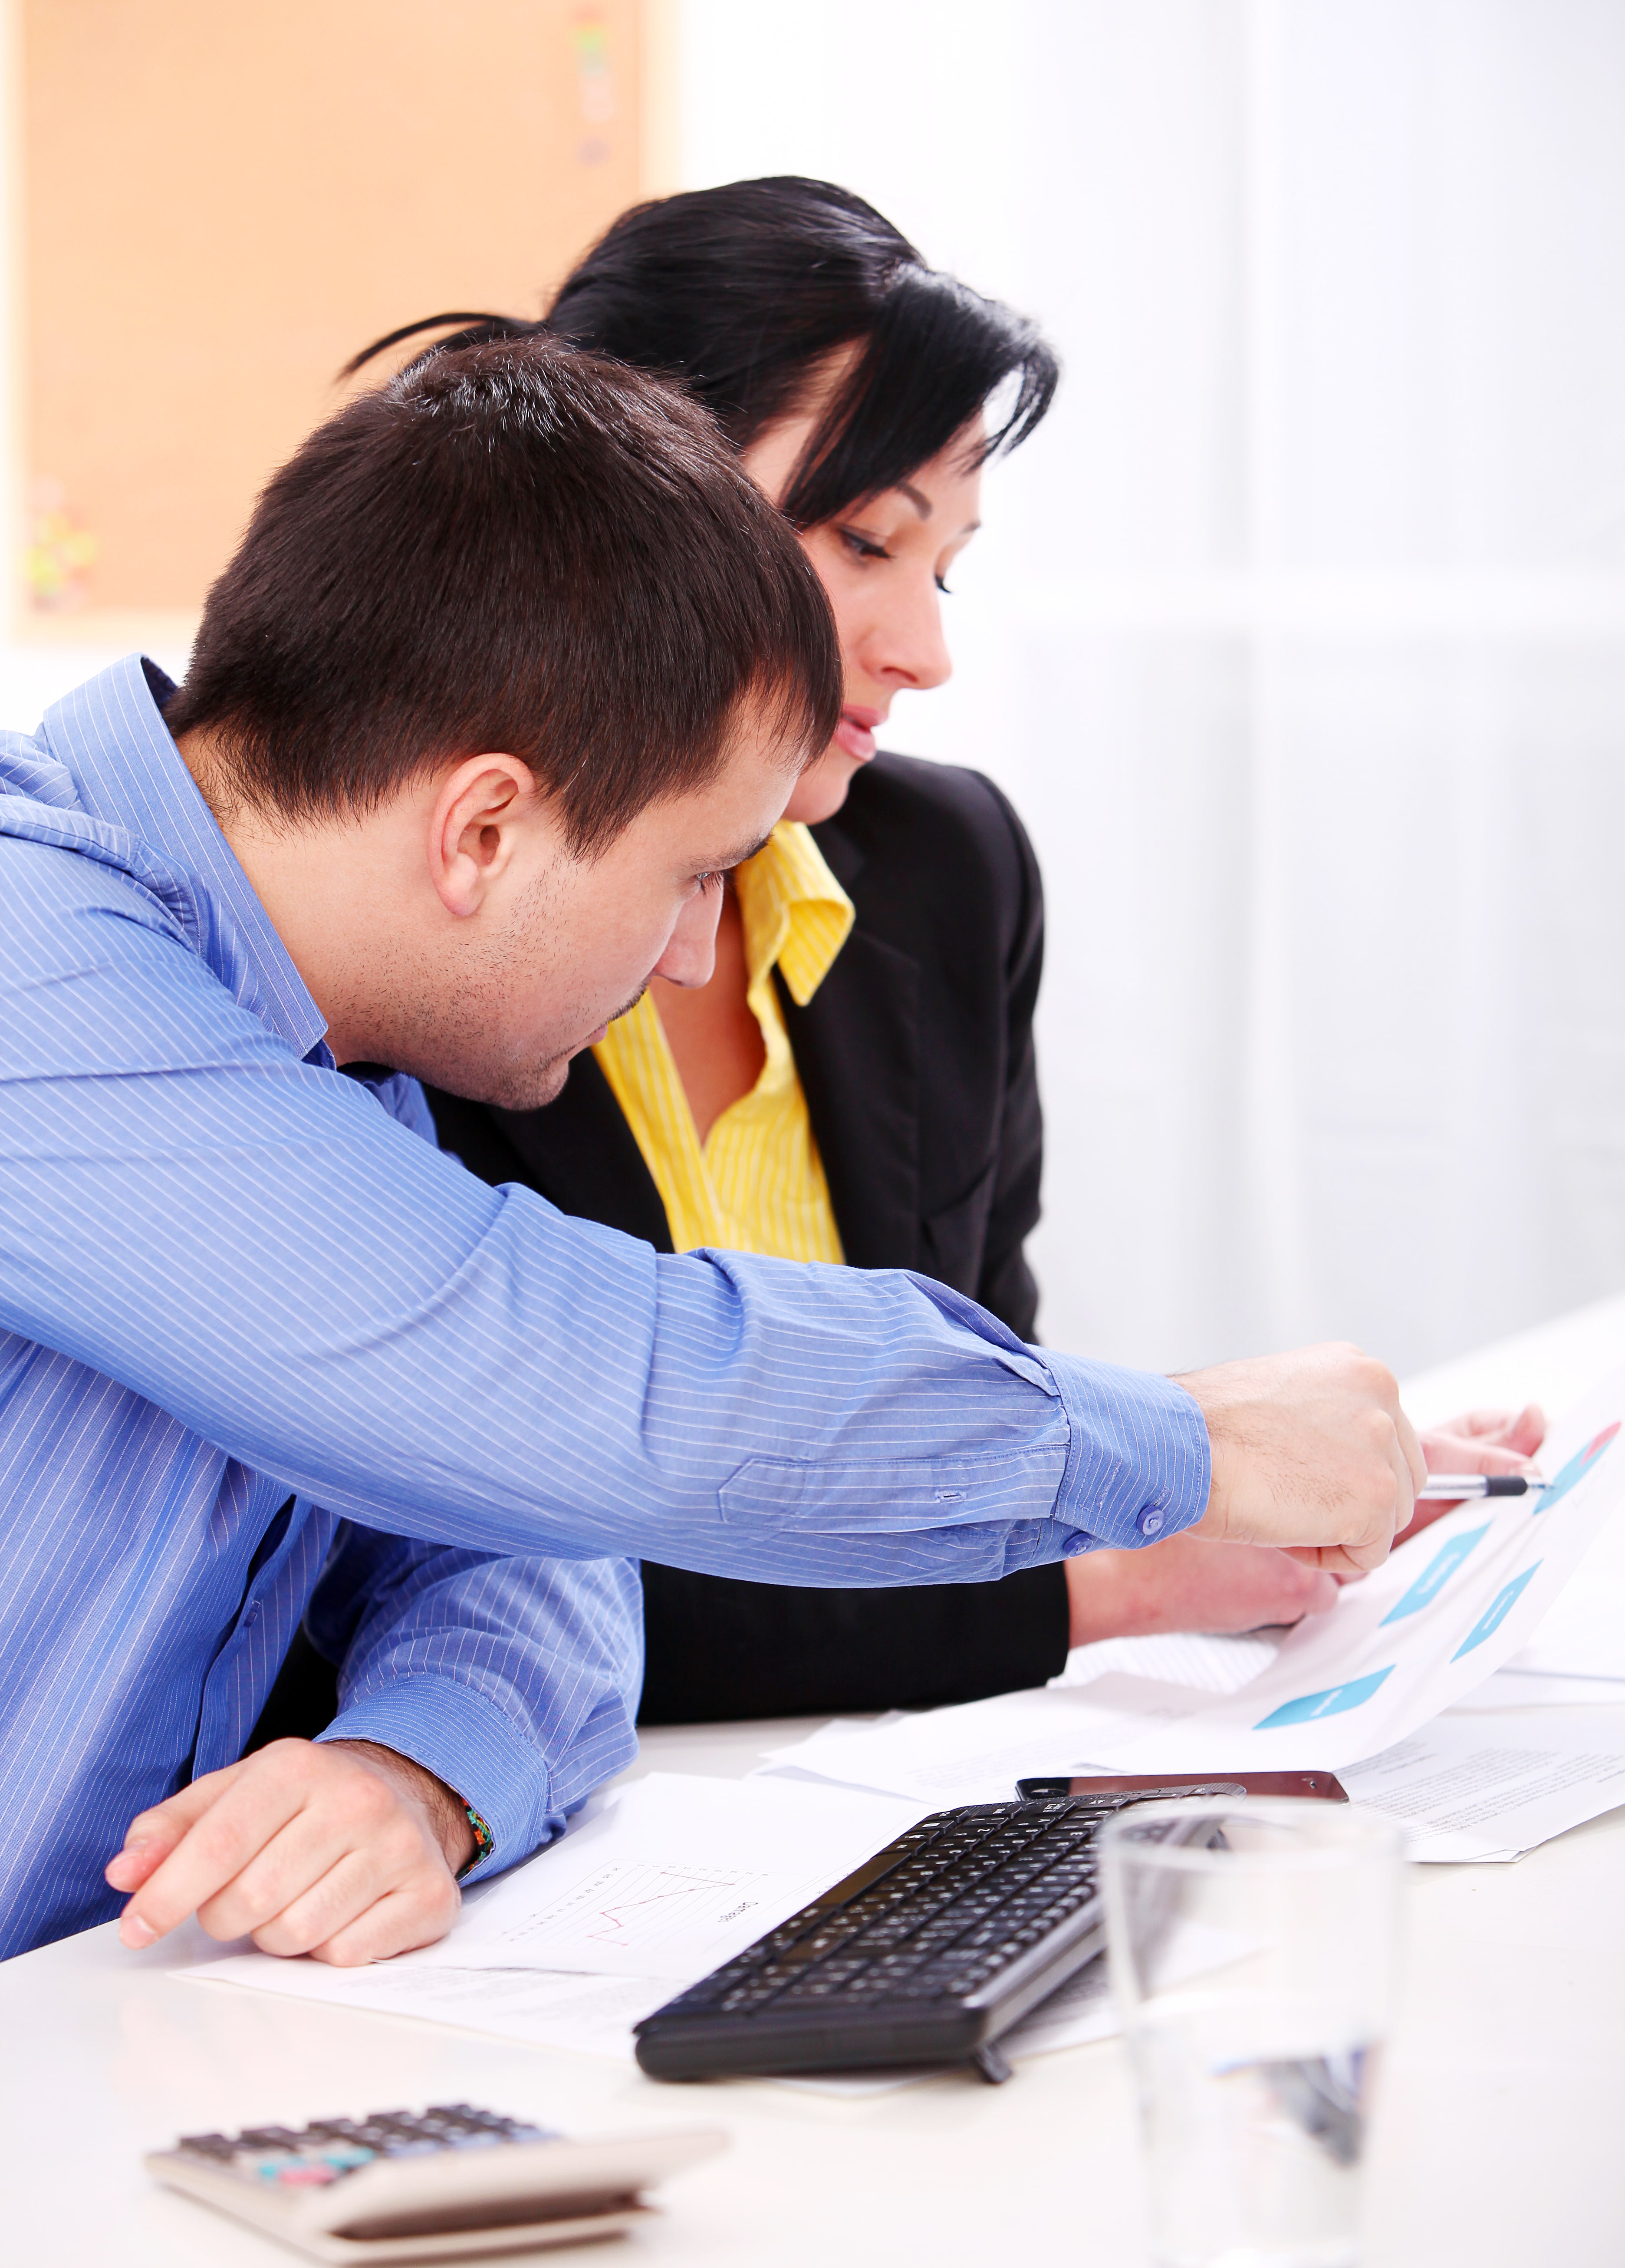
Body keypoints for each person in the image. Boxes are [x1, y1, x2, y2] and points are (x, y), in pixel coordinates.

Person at [0, 332, 1429, 1971]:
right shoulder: (32, 954)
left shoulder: (333, 1048)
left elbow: (539, 1549)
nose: (695, 956)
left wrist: (420, 1771)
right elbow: (563, 1377)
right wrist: (1188, 1440)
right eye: (693, 874)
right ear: (483, 830)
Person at [346, 180, 1543, 1724]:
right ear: (621, 499)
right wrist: (1123, 1564)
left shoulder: (945, 869)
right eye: (864, 541)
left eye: (948, 565)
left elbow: (976, 1424)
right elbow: (479, 1578)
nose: (927, 648)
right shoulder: (421, 920)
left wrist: (1229, 1493)